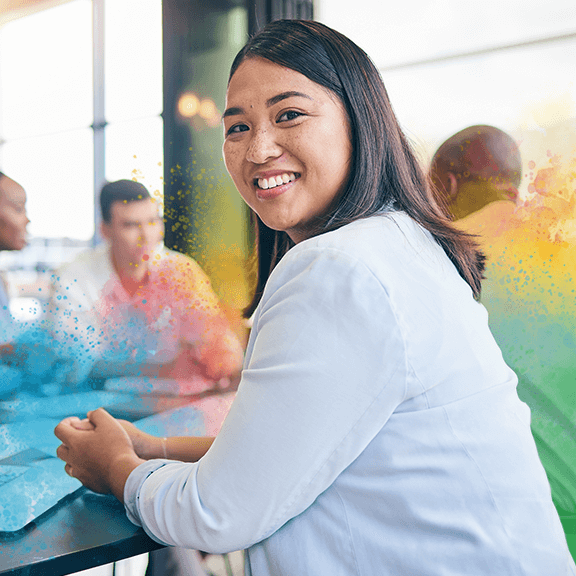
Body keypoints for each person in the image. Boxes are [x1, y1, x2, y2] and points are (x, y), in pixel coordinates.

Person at [55, 20, 576, 576]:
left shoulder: (338, 268)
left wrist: (113, 465)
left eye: (289, 115)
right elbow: (298, 446)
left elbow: (215, 513)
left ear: (359, 118)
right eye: (237, 127)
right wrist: (152, 447)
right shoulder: (396, 242)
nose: (258, 148)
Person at [50, 179, 243, 434]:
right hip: (103, 405)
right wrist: (163, 366)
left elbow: (220, 348)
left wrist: (222, 358)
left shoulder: (181, 271)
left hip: (178, 402)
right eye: (131, 225)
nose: (146, 236)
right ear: (105, 230)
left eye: (153, 222)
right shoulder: (74, 276)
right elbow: (75, 364)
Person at [430, 124, 522, 221]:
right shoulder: (527, 230)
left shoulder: (428, 233)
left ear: (446, 188)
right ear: (514, 195)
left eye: (430, 185)